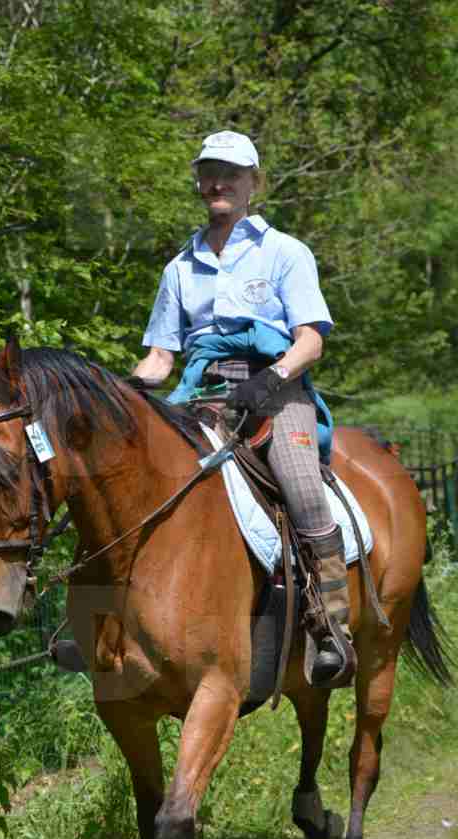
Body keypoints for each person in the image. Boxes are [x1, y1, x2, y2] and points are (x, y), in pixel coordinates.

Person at [132, 130, 353, 687]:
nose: (219, 182)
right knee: (120, 474)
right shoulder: (179, 267)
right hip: (197, 398)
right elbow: (161, 357)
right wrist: (125, 390)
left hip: (276, 395)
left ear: (254, 182)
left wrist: (272, 379)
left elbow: (310, 340)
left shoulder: (285, 252)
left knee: (302, 485)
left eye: (231, 172)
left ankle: (331, 629)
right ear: (198, 181)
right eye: (209, 171)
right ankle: (88, 621)